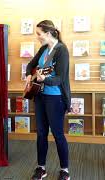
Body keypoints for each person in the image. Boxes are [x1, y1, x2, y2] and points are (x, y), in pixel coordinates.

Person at [25, 20, 71, 180]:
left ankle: (65, 170)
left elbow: (60, 79)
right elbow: (31, 64)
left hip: (55, 98)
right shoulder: (44, 48)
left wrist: (44, 78)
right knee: (41, 133)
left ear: (48, 33)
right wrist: (29, 75)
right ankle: (41, 168)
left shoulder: (62, 50)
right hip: (40, 97)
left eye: (39, 34)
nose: (37, 37)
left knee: (58, 134)